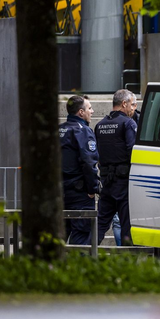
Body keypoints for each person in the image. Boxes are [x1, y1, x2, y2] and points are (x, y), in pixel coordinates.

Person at [95, 89, 138, 245]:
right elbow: (132, 152)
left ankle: (84, 256)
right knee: (127, 225)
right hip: (123, 183)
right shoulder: (128, 123)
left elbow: (97, 155)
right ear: (124, 104)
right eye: (133, 104)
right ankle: (127, 263)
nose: (134, 108)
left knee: (100, 225)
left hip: (107, 182)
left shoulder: (100, 125)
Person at [59, 95, 98, 245]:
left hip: (61, 192)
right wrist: (92, 188)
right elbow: (89, 162)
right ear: (81, 112)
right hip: (79, 194)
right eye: (89, 108)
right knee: (81, 237)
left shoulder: (60, 130)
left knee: (60, 234)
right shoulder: (83, 131)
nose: (92, 111)